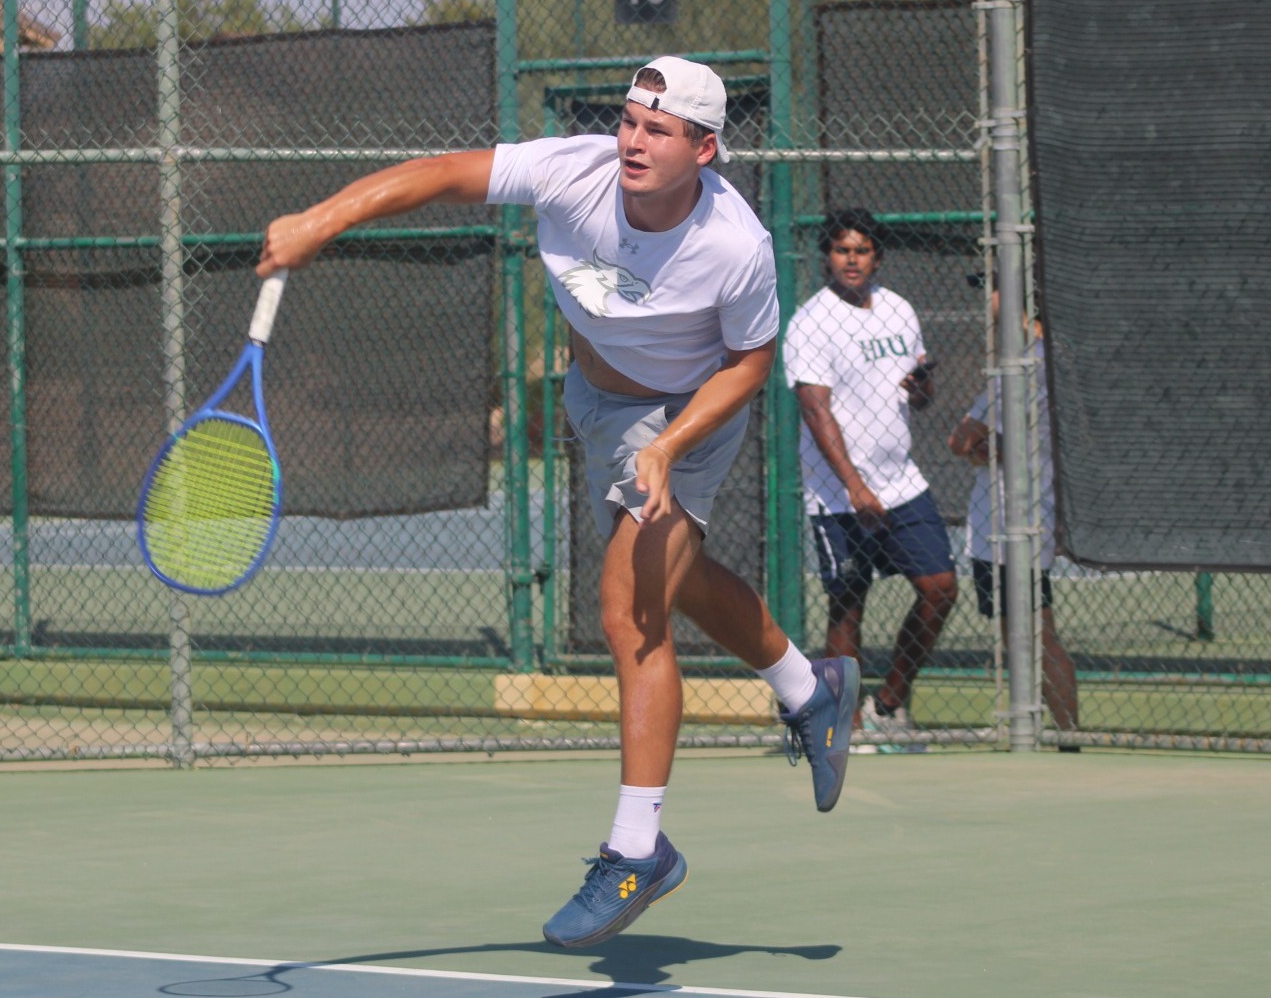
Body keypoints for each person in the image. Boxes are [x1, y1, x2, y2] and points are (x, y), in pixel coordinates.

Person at [257, 56, 860, 948]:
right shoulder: (572, 170)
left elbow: (750, 366)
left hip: (684, 417)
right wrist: (321, 219)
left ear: (705, 147)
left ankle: (636, 850)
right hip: (598, 404)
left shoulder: (736, 244)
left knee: (628, 611)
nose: (634, 140)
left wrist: (665, 444)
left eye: (658, 130)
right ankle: (811, 688)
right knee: (676, 584)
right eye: (628, 120)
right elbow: (441, 175)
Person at [783, 209, 958, 750]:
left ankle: (889, 703)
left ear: (877, 257)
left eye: (861, 250)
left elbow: (920, 396)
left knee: (940, 588)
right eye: (841, 250)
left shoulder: (900, 309)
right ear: (828, 258)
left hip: (902, 484)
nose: (851, 259)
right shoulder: (810, 322)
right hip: (838, 495)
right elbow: (816, 411)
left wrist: (922, 385)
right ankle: (844, 726)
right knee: (848, 602)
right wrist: (855, 487)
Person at [946, 279, 1080, 734]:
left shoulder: (1031, 361)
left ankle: (1066, 733)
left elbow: (975, 439)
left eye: (995, 287)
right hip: (996, 525)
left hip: (1016, 520)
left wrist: (988, 444)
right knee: (1014, 634)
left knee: (1038, 632)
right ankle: (1037, 727)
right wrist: (988, 444)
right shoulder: (1017, 361)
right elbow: (964, 441)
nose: (988, 298)